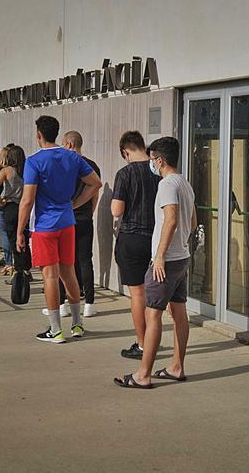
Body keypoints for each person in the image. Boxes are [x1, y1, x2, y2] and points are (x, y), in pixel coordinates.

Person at [114, 136, 196, 389]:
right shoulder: (185, 183)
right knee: (179, 313)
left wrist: (159, 255)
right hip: (181, 258)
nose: (150, 163)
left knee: (154, 315)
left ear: (159, 160)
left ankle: (143, 374)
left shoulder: (167, 185)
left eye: (152, 159)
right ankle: (176, 366)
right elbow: (192, 222)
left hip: (166, 261)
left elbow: (170, 219)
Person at [16, 116, 102, 343]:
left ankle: (55, 329)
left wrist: (19, 231)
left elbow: (27, 200)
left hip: (44, 225)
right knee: (69, 273)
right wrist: (75, 203)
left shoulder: (33, 161)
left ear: (39, 134)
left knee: (50, 276)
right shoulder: (72, 156)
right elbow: (95, 183)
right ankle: (77, 324)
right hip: (67, 223)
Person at [111, 131, 160, 360]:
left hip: (132, 238)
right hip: (157, 239)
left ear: (125, 152)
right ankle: (153, 340)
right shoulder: (159, 171)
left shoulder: (125, 173)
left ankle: (142, 344)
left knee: (137, 294)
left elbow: (116, 210)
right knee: (157, 295)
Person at [52, 131, 101, 318]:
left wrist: (72, 206)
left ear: (69, 145)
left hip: (65, 219)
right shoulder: (93, 165)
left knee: (64, 261)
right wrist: (89, 212)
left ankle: (62, 303)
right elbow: (95, 193)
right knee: (85, 260)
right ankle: (89, 303)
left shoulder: (64, 164)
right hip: (85, 219)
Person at [0, 145, 26, 278]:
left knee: (12, 239)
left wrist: (0, 202)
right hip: (24, 206)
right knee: (23, 238)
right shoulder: (26, 170)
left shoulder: (6, 171)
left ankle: (16, 271)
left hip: (10, 206)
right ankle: (25, 269)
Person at [0, 145, 15, 270]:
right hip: (13, 205)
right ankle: (11, 260)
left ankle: (8, 260)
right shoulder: (16, 170)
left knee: (5, 233)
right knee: (12, 233)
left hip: (1, 206)